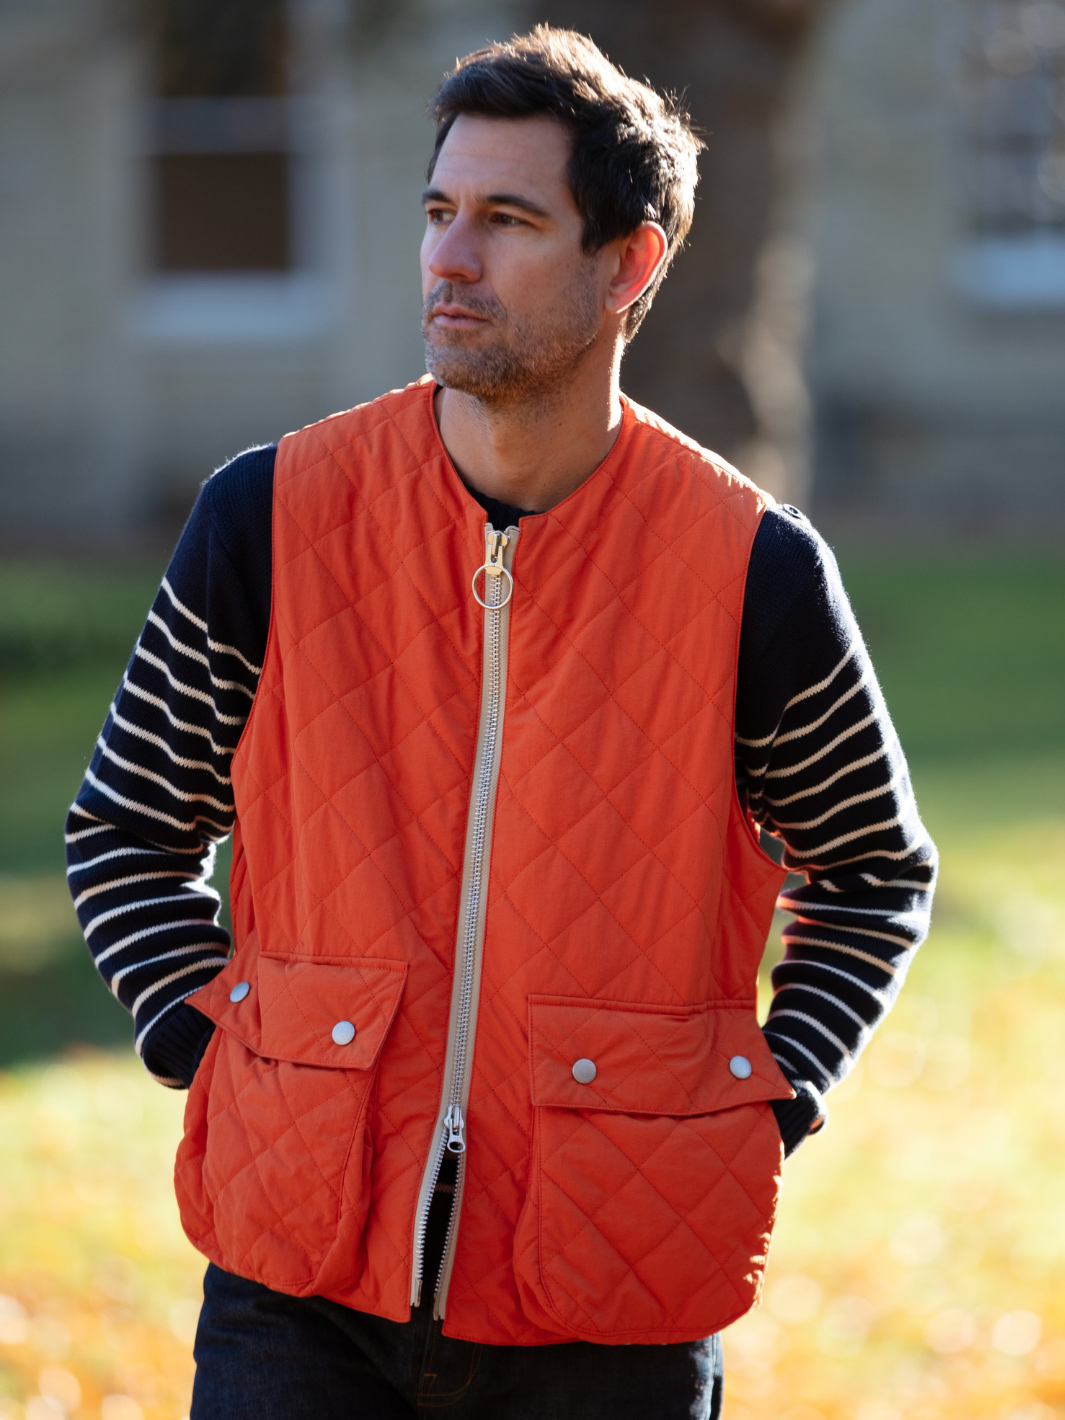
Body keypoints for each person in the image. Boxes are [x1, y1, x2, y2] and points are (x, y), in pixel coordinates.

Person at [66, 26, 936, 1420]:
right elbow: (127, 827)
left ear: (629, 264)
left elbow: (874, 874)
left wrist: (767, 1098)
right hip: (298, 1292)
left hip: (616, 1292)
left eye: (509, 221)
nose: (450, 259)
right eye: (439, 212)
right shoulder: (268, 516)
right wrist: (208, 1040)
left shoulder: (753, 572)